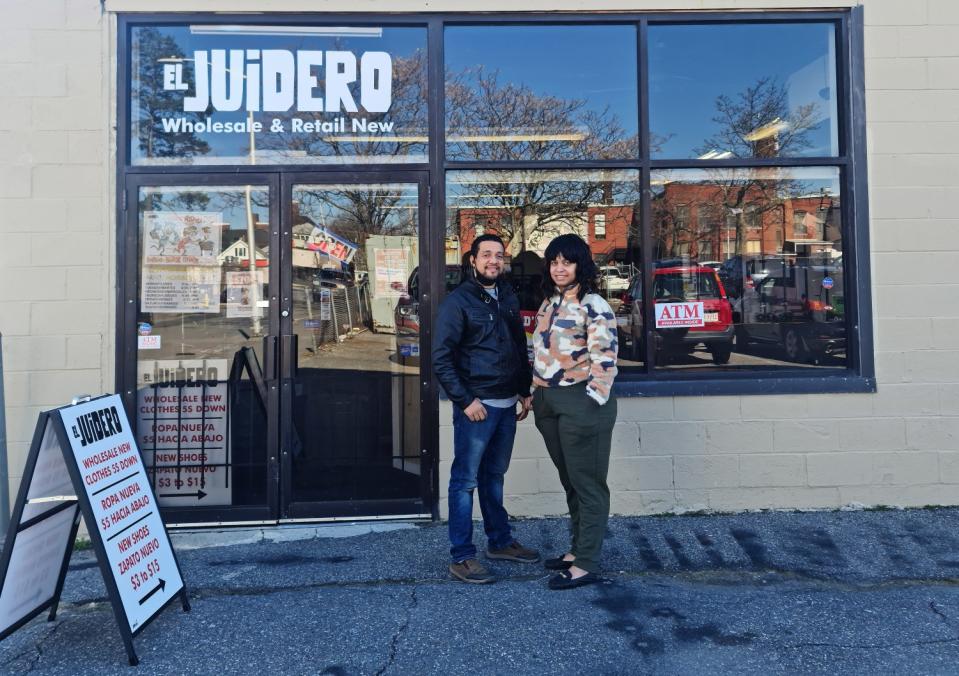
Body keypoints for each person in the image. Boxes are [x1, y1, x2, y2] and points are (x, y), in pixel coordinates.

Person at [432, 234, 539, 584]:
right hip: (477, 408)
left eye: (499, 255)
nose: (494, 260)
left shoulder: (507, 295)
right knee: (464, 482)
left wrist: (524, 391)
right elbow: (441, 359)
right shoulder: (458, 302)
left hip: (507, 403)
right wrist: (465, 401)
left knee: (494, 477)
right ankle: (462, 556)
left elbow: (518, 347)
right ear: (473, 260)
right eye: (487, 254)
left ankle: (500, 541)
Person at [531, 233, 618, 590]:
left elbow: (606, 358)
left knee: (588, 484)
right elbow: (538, 353)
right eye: (554, 262)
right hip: (548, 401)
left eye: (567, 261)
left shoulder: (594, 304)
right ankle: (577, 548)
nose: (559, 268)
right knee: (570, 481)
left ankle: (586, 562)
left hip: (581, 402)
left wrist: (592, 399)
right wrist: (531, 391)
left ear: (581, 265)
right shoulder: (549, 304)